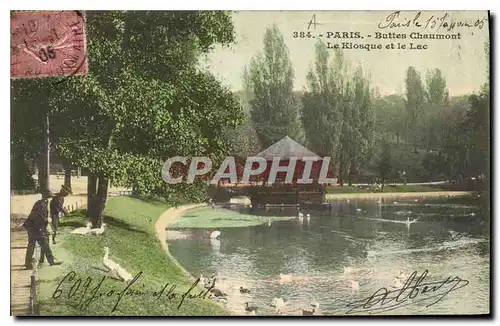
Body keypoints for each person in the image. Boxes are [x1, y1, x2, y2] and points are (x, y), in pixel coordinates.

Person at [23, 190, 63, 269]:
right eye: (50, 198)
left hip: (33, 227)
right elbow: (38, 217)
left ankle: (28, 264)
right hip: (35, 227)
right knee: (44, 244)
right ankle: (51, 261)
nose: (51, 199)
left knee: (32, 245)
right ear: (47, 198)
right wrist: (46, 220)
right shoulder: (42, 204)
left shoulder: (41, 203)